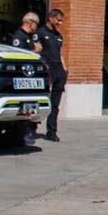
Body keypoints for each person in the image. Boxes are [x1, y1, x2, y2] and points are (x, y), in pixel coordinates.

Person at [9, 11, 43, 144]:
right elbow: (19, 54)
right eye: (36, 24)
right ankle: (22, 133)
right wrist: (36, 51)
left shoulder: (30, 36)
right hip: (21, 77)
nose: (36, 27)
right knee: (22, 107)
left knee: (30, 106)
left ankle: (29, 129)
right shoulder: (19, 36)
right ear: (30, 22)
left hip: (30, 77)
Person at [38, 8, 67, 142]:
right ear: (50, 18)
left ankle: (52, 131)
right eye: (58, 20)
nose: (60, 23)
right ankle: (31, 129)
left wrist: (64, 69)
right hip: (46, 69)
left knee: (55, 104)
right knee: (40, 100)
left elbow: (60, 54)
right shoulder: (40, 33)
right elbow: (36, 51)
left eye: (61, 20)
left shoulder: (59, 36)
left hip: (58, 70)